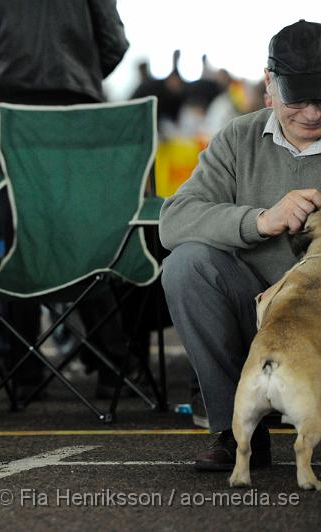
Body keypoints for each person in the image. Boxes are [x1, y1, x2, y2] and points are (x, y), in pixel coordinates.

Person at [0, 0, 137, 398]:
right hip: (78, 110)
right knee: (86, 238)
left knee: (20, 237)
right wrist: (82, 71)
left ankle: (24, 374)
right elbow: (114, 43)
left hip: (11, 109)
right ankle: (114, 367)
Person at [160, 19, 321, 471]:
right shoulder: (238, 137)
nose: (312, 113)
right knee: (186, 264)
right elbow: (173, 221)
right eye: (300, 99)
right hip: (257, 315)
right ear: (270, 83)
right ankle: (237, 431)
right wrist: (261, 220)